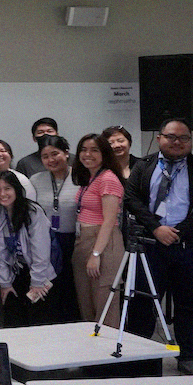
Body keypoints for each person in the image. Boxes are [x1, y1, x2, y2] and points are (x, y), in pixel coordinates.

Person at [126, 118, 193, 375]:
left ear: (190, 142)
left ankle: (190, 357)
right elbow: (131, 199)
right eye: (171, 137)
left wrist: (179, 232)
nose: (177, 142)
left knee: (190, 305)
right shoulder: (143, 166)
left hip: (190, 247)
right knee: (143, 305)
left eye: (184, 138)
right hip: (151, 247)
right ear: (159, 138)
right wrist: (156, 228)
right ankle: (143, 358)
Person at [0, 171, 57, 327]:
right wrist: (5, 283)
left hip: (40, 275)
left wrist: (37, 282)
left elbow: (41, 251)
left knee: (38, 322)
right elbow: (0, 253)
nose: (3, 194)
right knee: (14, 321)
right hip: (16, 272)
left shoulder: (32, 211)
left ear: (16, 189)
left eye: (7, 188)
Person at [71, 133, 125, 328]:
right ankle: (91, 353)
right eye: (83, 150)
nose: (88, 154)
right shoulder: (91, 177)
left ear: (104, 153)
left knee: (105, 306)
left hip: (103, 243)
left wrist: (96, 253)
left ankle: (108, 354)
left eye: (94, 150)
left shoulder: (108, 178)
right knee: (87, 304)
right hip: (84, 241)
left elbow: (109, 220)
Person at [29, 135, 81, 323]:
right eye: (45, 156)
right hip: (46, 242)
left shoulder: (81, 176)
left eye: (55, 154)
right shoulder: (35, 179)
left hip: (75, 241)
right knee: (50, 290)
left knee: (73, 290)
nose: (51, 160)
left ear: (66, 153)